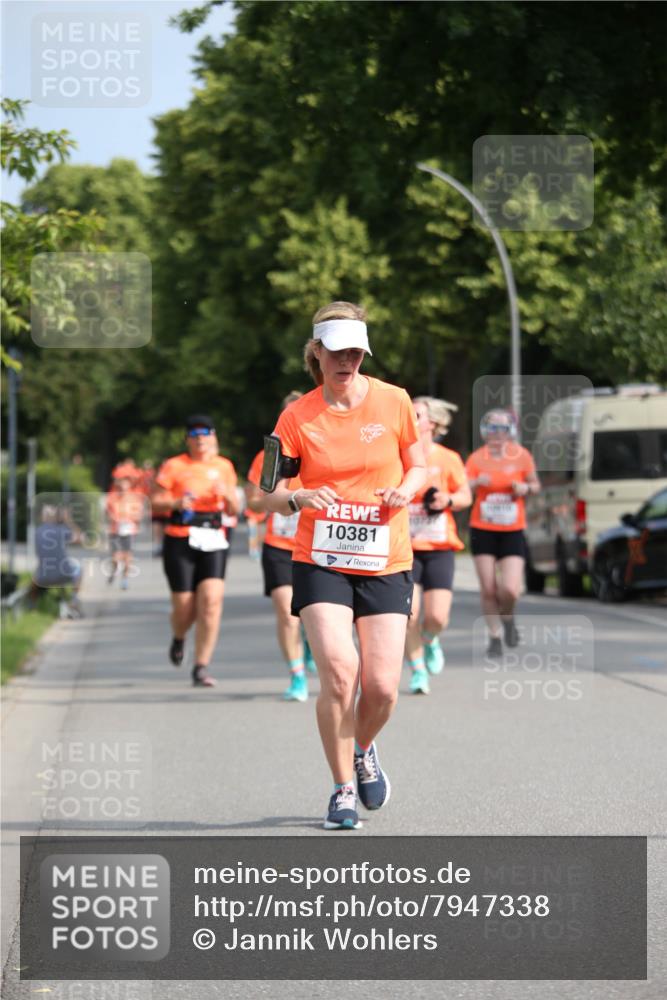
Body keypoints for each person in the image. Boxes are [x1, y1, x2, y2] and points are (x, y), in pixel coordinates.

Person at [263, 301, 426, 830]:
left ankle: (363, 748)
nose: (347, 361)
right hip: (321, 558)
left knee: (382, 687)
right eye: (336, 351)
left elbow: (419, 466)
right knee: (339, 672)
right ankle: (341, 790)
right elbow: (265, 493)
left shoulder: (394, 401)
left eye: (356, 352)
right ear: (316, 352)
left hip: (384, 556)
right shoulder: (297, 416)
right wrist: (298, 497)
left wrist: (405, 490)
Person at [152, 415, 240, 687]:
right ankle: (179, 637)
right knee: (184, 607)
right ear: (187, 439)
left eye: (205, 433)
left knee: (211, 602)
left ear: (213, 437)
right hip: (180, 537)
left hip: (213, 536)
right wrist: (176, 502)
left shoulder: (224, 466)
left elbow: (235, 510)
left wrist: (227, 495)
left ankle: (201, 666)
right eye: (194, 434)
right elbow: (155, 502)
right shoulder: (174, 465)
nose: (200, 439)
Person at [245, 391, 317, 703]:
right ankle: (297, 675)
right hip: (279, 546)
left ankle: (310, 641)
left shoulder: (324, 449)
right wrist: (280, 501)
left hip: (317, 545)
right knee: (288, 614)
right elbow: (252, 502)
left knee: (313, 617)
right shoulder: (268, 456)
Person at [405, 397, 471, 694]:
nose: (410, 418)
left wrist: (448, 500)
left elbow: (466, 496)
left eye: (416, 415)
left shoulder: (448, 458)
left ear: (432, 422)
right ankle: (418, 670)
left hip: (440, 547)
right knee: (410, 613)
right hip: (405, 547)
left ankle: (430, 641)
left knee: (436, 617)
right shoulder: (399, 456)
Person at [465, 408, 540, 657]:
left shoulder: (522, 456)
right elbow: (462, 487)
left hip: (512, 529)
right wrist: (476, 483)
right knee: (488, 588)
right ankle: (495, 636)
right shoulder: (476, 458)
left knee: (510, 589)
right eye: (493, 428)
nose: (498, 433)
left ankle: (507, 617)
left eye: (503, 428)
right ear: (485, 431)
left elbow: (535, 485)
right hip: (483, 528)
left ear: (511, 431)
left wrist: (525, 488)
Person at [32, 505, 83, 617]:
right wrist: (68, 521)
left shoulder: (37, 531)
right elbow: (80, 538)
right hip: (64, 574)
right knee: (79, 568)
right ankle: (74, 600)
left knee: (34, 576)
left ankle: (33, 607)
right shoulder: (62, 530)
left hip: (42, 577)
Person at [105, 476, 145, 590]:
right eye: (121, 487)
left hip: (129, 531)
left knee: (127, 557)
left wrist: (130, 519)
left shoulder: (134, 498)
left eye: (125, 487)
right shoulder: (112, 498)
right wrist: (114, 518)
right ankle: (114, 572)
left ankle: (124, 579)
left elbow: (139, 514)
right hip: (115, 531)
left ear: (129, 487)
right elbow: (107, 512)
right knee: (116, 558)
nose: (123, 489)